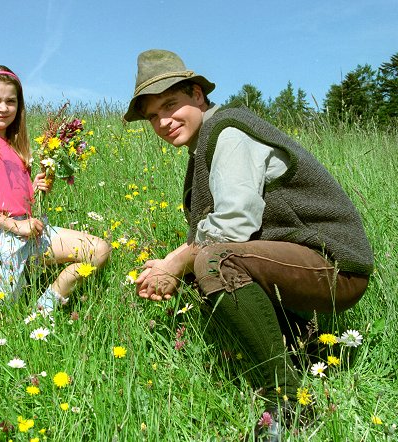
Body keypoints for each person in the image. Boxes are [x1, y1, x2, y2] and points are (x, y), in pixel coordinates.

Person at [124, 50, 373, 432]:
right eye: (153, 116)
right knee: (202, 269)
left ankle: (287, 403)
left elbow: (234, 226)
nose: (163, 121)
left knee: (214, 262)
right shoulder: (207, 143)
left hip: (335, 265)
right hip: (301, 262)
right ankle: (310, 350)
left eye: (170, 105)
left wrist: (175, 260)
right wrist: (177, 266)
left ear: (197, 95)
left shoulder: (230, 133)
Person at [0, 65, 111, 313]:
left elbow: (19, 199)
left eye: (10, 101)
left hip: (31, 232)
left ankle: (45, 307)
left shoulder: (16, 148)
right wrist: (15, 226)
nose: (3, 108)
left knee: (98, 250)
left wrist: (36, 189)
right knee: (0, 318)